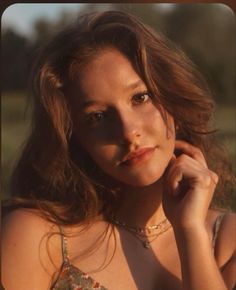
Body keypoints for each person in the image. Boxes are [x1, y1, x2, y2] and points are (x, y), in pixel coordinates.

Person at [1, 10, 236, 290]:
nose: (128, 132)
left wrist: (190, 232)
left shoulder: (227, 240)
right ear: (74, 137)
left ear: (171, 98)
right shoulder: (36, 237)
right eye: (97, 117)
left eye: (140, 97)